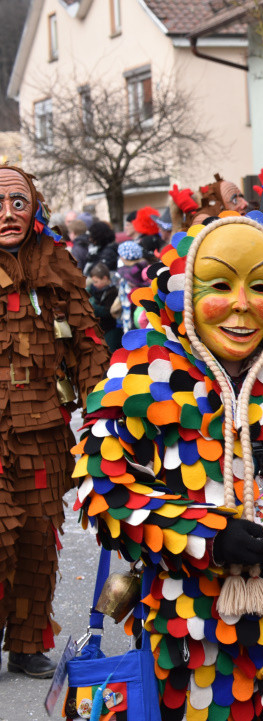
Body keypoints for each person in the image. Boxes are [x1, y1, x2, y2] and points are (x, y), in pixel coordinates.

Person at [74, 214, 263, 719]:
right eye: (220, 285)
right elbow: (103, 489)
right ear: (184, 292)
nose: (242, 304)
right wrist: (207, 536)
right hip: (186, 634)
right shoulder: (139, 375)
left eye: (260, 286)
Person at [0, 165, 109, 677]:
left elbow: (86, 341)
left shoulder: (57, 263)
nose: (7, 214)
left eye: (18, 202)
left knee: (39, 538)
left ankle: (26, 643)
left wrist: (102, 407)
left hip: (43, 430)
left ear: (34, 206)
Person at [87, 263, 121, 352]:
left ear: (105, 278)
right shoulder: (92, 289)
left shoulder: (113, 292)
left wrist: (93, 307)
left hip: (110, 328)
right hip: (98, 328)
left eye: (96, 281)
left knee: (109, 351)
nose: (94, 284)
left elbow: (108, 311)